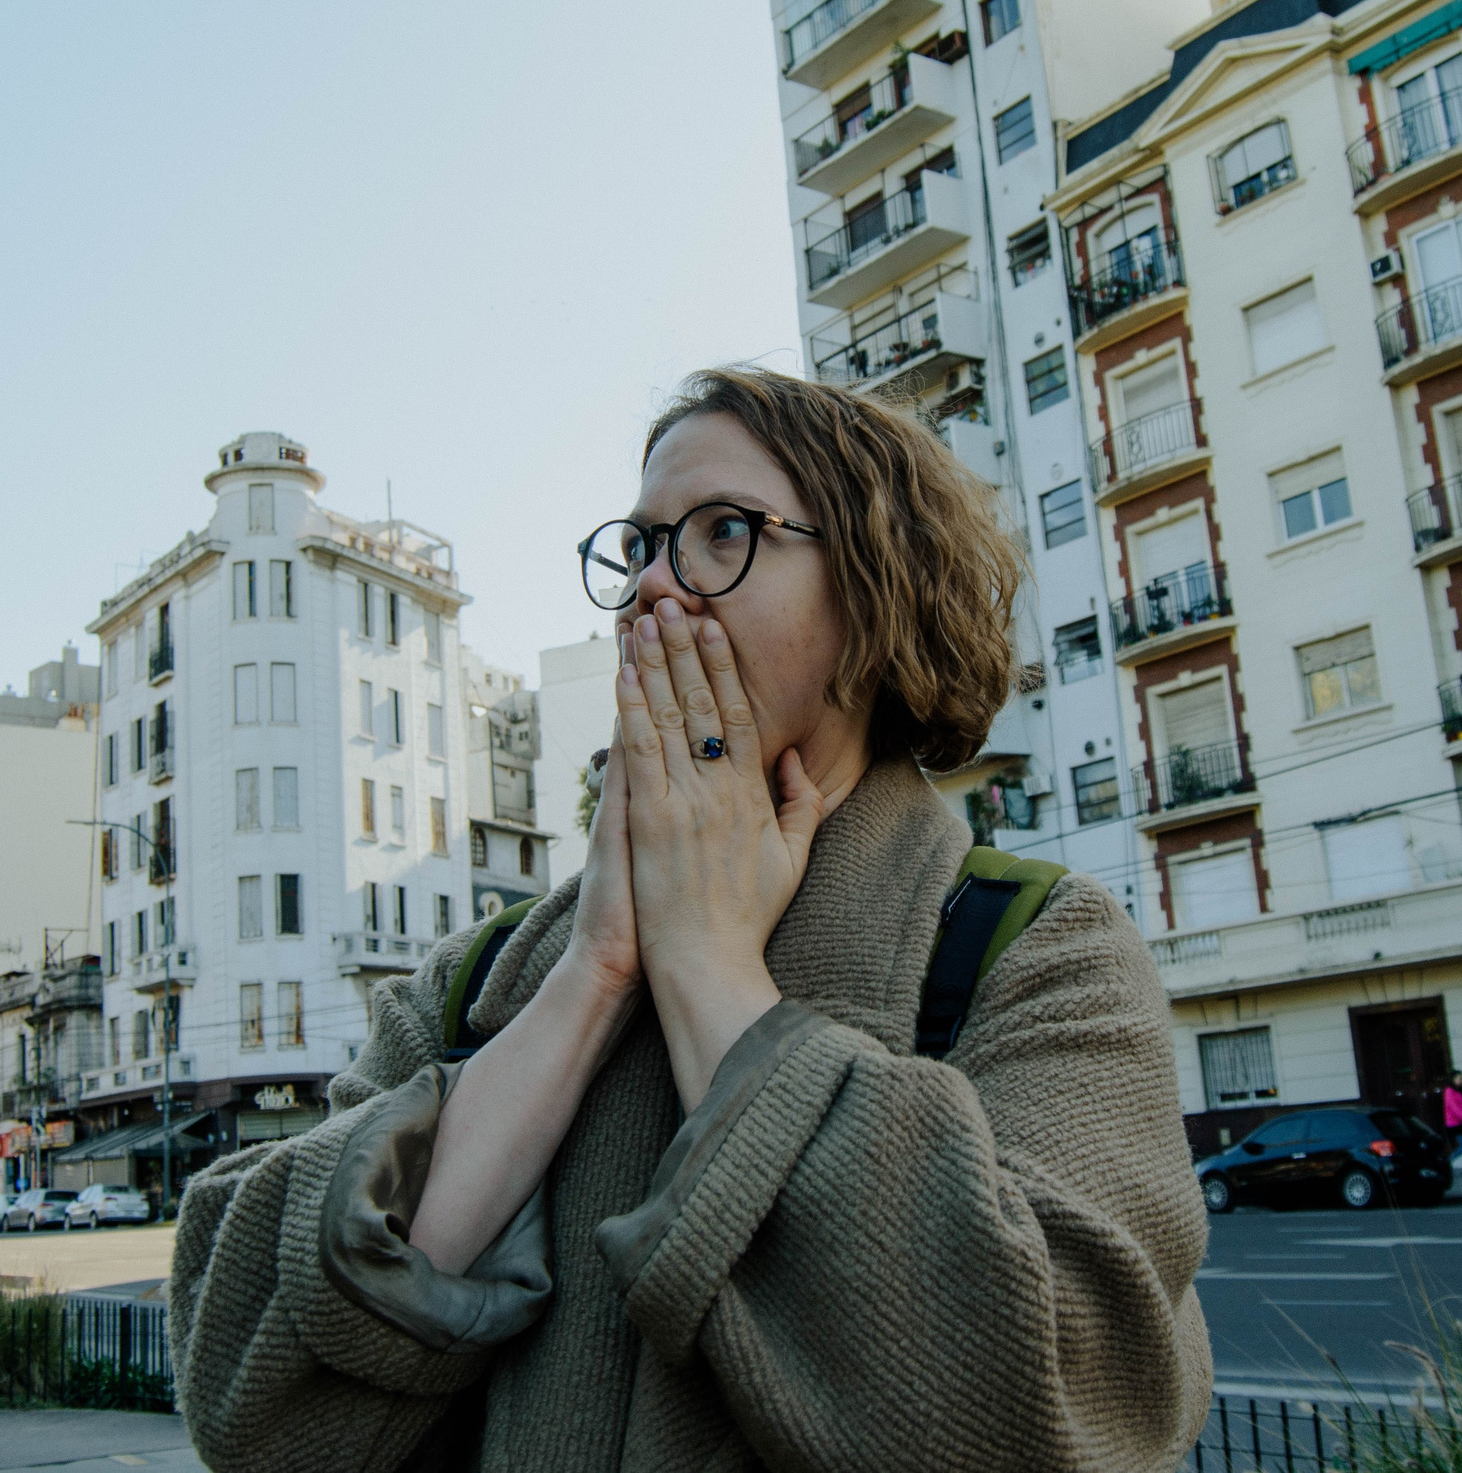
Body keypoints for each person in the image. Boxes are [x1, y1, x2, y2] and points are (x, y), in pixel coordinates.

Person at [169, 369, 1211, 1472]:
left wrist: (710, 963)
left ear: (878, 593)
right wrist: (593, 972)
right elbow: (254, 1404)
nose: (653, 587)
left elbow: (1052, 1406)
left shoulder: (1043, 951)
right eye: (639, 547)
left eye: (724, 532)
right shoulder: (477, 979)